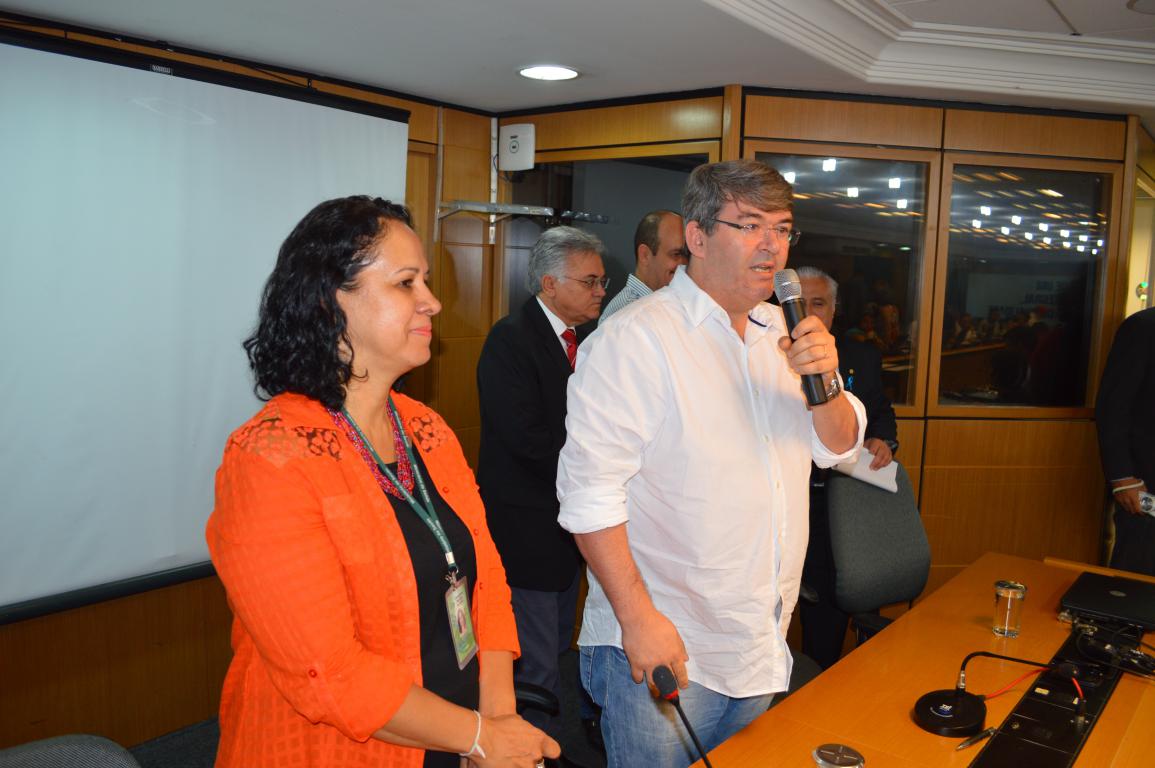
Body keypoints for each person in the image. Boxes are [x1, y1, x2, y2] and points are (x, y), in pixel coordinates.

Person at [206, 196, 559, 768]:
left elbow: (487, 583)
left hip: (459, 736)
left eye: (425, 281)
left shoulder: (426, 429)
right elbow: (327, 673)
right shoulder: (270, 459)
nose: (432, 301)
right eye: (405, 283)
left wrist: (495, 720)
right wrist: (481, 737)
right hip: (342, 750)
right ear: (330, 302)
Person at [557, 160, 865, 768]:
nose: (772, 246)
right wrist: (638, 620)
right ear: (696, 237)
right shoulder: (635, 340)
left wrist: (825, 380)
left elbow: (841, 446)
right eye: (750, 226)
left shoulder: (784, 333)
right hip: (668, 642)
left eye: (782, 228)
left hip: (758, 640)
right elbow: (589, 497)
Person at [476, 226, 607, 734]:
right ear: (550, 284)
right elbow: (524, 438)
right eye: (590, 281)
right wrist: (591, 471)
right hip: (526, 526)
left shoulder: (587, 339)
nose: (600, 291)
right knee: (535, 659)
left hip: (568, 522)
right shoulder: (510, 339)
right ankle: (529, 750)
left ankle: (546, 741)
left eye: (602, 281)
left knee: (556, 643)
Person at [796, 266, 899, 669]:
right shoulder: (764, 355)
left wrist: (882, 439)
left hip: (846, 499)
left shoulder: (861, 356)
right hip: (791, 502)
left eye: (818, 303)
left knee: (842, 600)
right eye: (799, 303)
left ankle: (833, 679)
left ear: (834, 309)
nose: (808, 312)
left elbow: (881, 411)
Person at [1095, 306, 1155, 575]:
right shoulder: (1144, 327)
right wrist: (1122, 477)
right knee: (1135, 581)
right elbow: (1114, 406)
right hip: (1146, 491)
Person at [599, 210, 687, 323]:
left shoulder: (665, 303)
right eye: (676, 254)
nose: (684, 265)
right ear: (645, 255)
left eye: (687, 255)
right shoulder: (626, 315)